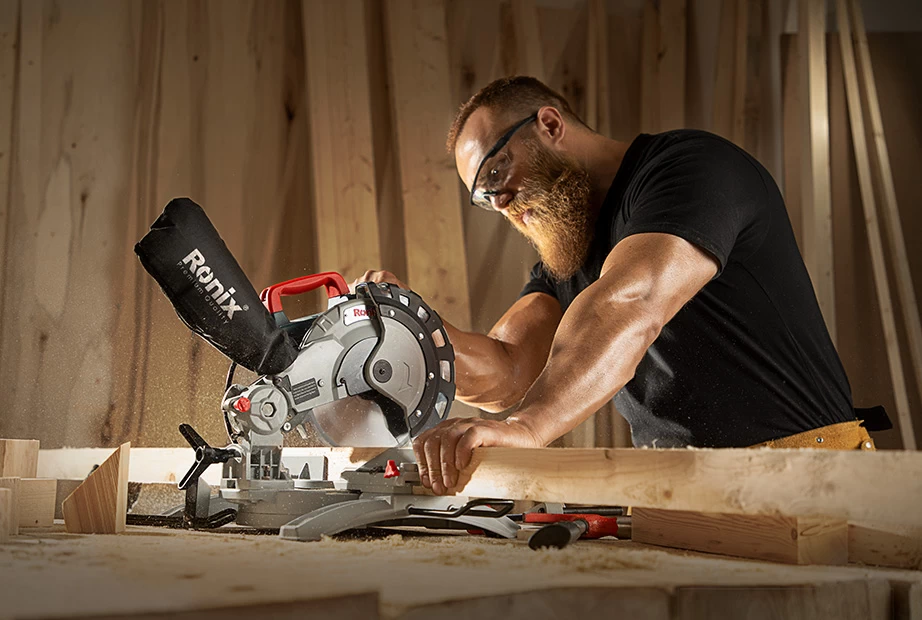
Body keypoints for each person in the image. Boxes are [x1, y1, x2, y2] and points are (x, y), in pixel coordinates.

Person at [355, 76, 876, 496]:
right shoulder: (571, 244)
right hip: (684, 491)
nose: (502, 203)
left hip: (807, 475)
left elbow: (629, 303)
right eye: (484, 199)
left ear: (549, 124)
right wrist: (409, 326)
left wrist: (528, 429)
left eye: (496, 173)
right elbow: (509, 369)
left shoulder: (690, 170)